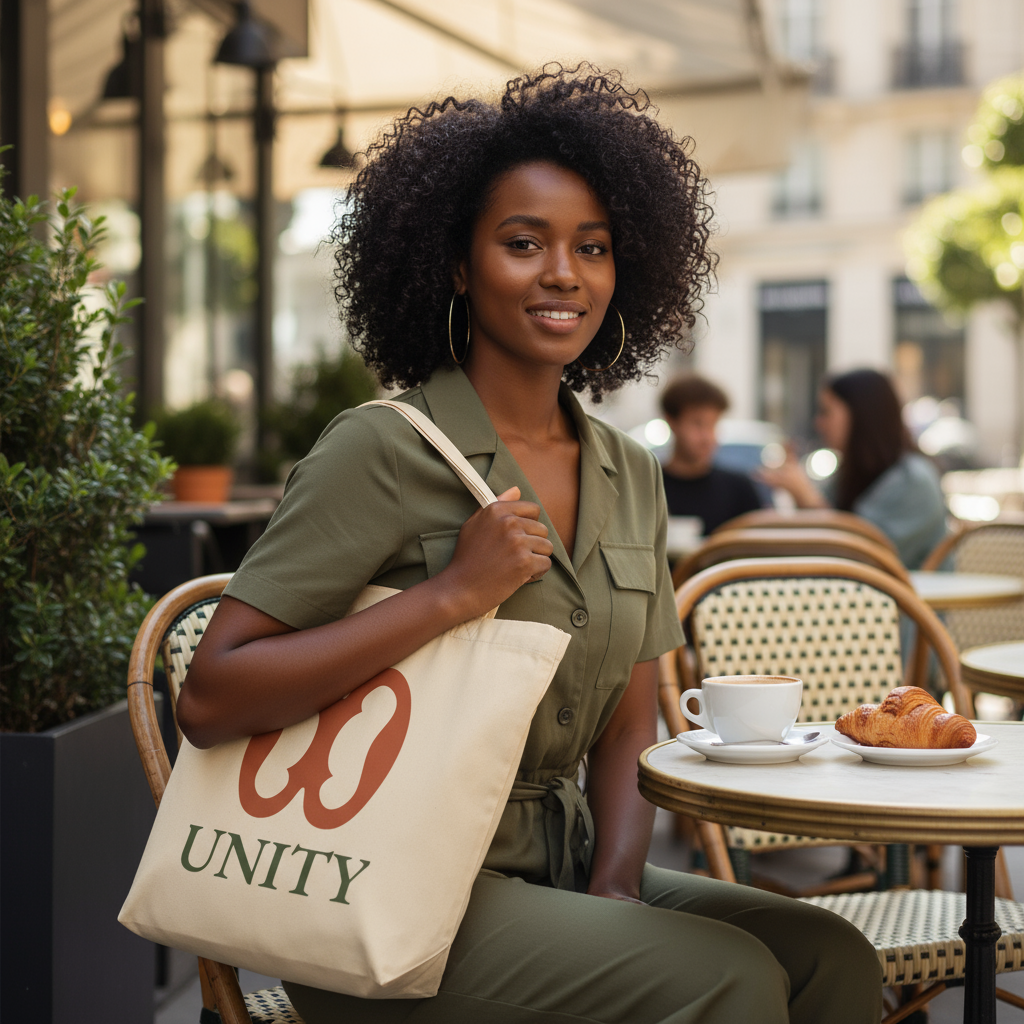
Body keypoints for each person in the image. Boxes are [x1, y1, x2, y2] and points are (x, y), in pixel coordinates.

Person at [177, 66, 881, 1024]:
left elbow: (635, 720)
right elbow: (213, 696)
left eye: (592, 248)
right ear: (457, 265)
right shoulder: (380, 448)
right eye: (523, 243)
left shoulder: (631, 470)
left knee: (828, 956)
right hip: (385, 883)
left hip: (563, 867)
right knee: (732, 979)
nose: (564, 273)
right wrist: (451, 596)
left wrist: (620, 887)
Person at [760, 368, 946, 568]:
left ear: (861, 414)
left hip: (919, 596)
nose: (819, 423)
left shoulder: (913, 479)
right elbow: (823, 544)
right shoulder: (852, 473)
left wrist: (807, 498)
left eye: (826, 411)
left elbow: (862, 554)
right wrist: (800, 497)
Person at [659, 374, 763, 534]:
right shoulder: (649, 486)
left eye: (713, 424)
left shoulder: (739, 490)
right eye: (697, 423)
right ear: (671, 422)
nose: (707, 437)